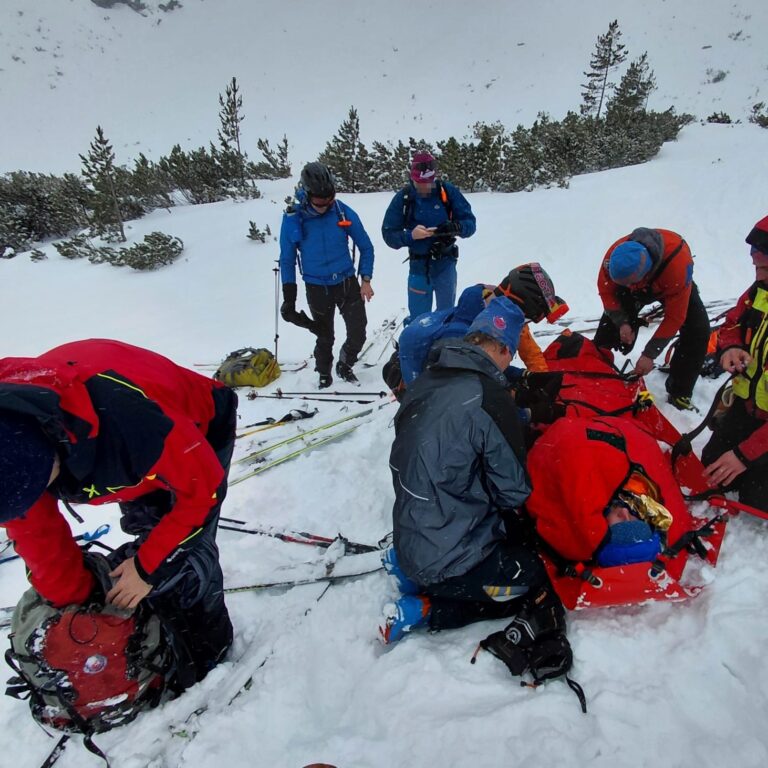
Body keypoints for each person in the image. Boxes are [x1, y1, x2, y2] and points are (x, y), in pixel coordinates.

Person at [0, 339, 237, 691]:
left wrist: (147, 567)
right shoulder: (11, 458)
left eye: (41, 488)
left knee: (184, 563)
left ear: (51, 454)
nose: (39, 500)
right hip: (118, 458)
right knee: (145, 539)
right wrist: (81, 609)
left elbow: (203, 492)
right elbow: (40, 539)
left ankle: (209, 654)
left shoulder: (133, 423)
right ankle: (150, 642)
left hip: (194, 430)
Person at [383, 297, 566, 660]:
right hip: (448, 553)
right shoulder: (489, 396)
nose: (508, 364)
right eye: (509, 355)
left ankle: (409, 568)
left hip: (414, 532)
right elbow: (512, 492)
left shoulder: (428, 378)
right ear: (500, 347)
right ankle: (427, 609)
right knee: (533, 578)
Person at [392, 263, 568, 390]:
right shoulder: (461, 338)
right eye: (525, 319)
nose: (523, 326)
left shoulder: (498, 307)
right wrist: (524, 404)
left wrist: (534, 377)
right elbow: (480, 385)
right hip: (427, 389)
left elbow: (525, 347)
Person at [280, 162, 375, 388]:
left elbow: (366, 246)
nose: (325, 204)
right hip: (316, 287)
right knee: (324, 336)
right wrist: (289, 298)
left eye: (329, 198)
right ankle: (324, 372)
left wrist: (366, 279)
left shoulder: (341, 211)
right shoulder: (294, 218)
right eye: (320, 200)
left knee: (358, 331)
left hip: (346, 282)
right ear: (308, 193)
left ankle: (345, 362)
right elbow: (287, 259)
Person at [594, 227, 710, 410]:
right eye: (626, 285)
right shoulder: (614, 260)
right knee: (608, 327)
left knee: (698, 330)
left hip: (669, 283)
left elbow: (675, 317)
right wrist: (622, 322)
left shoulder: (677, 266)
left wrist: (650, 354)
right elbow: (607, 292)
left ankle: (680, 392)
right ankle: (595, 373)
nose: (631, 289)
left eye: (632, 284)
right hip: (634, 278)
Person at [701, 215, 768, 511]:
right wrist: (732, 347)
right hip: (750, 408)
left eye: (764, 266)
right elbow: (732, 323)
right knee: (714, 469)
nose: (757, 271)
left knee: (758, 498)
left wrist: (744, 455)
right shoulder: (758, 292)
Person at [381, 151, 476, 321]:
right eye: (420, 183)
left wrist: (455, 227)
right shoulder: (404, 198)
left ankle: (442, 346)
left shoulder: (447, 192)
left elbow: (470, 224)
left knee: (446, 318)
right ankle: (416, 346)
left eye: (428, 183)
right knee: (419, 321)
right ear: (413, 178)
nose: (425, 187)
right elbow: (389, 235)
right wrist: (411, 236)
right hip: (419, 268)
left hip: (445, 266)